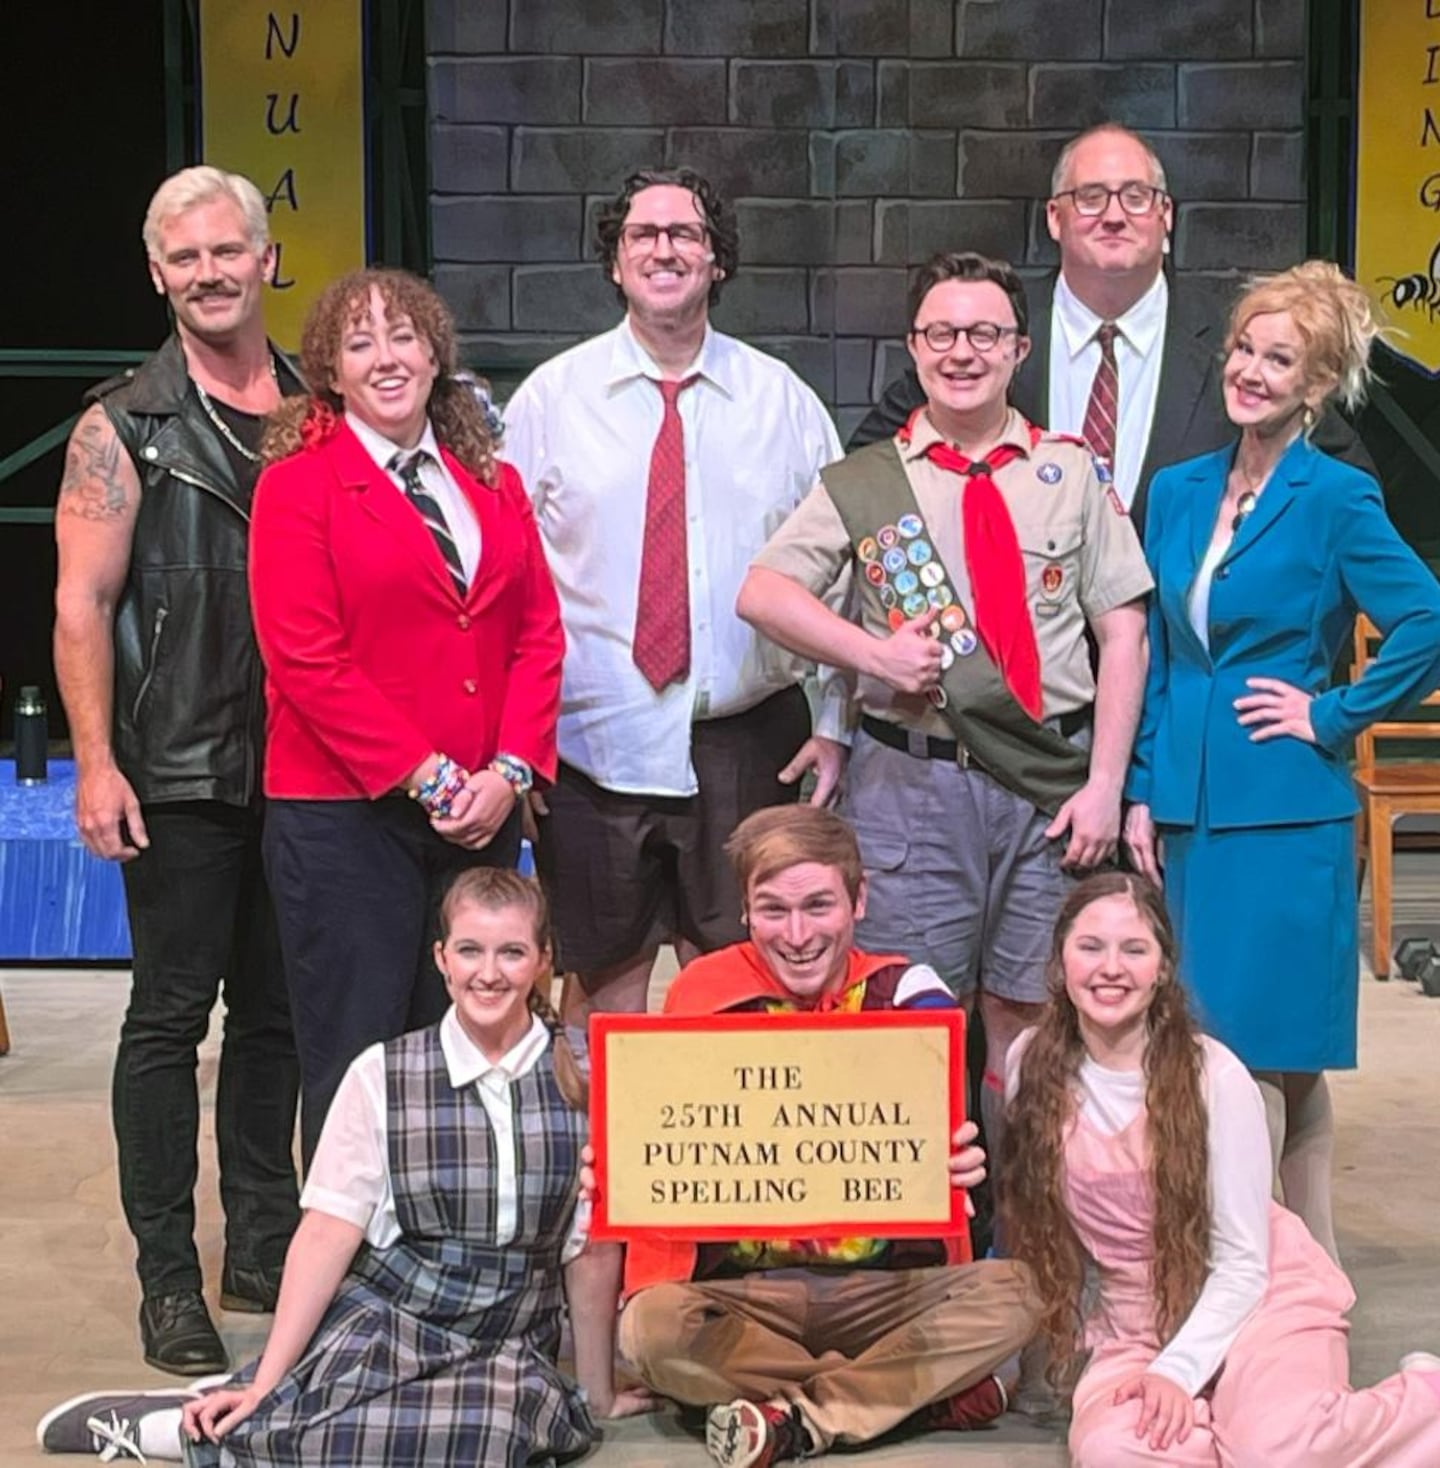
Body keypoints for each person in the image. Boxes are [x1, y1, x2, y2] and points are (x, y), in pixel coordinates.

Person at [738, 252, 1151, 1172]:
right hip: (909, 788)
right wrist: (872, 654)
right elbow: (765, 593)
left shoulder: (1070, 472)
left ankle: (1026, 1235)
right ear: (914, 347)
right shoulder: (868, 483)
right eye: (941, 334)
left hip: (1049, 789)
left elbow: (1123, 636)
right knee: (911, 1015)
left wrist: (1106, 787)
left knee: (1033, 1019)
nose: (962, 352)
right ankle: (919, 1237)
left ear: (1018, 349)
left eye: (984, 334)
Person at [36, 868, 652, 1466]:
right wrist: (267, 1382)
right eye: (470, 951)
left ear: (545, 960)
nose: (488, 973)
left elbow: (591, 1251)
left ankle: (213, 1434)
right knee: (326, 1403)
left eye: (512, 953)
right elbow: (328, 1234)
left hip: (507, 1338)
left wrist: (596, 1393)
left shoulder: (587, 1079)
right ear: (441, 958)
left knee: (489, 1431)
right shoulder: (384, 1074)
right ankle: (188, 1424)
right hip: (393, 1315)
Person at [1122, 261, 1440, 1261]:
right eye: (1243, 350)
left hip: (1281, 814)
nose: (1252, 372)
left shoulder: (1335, 498)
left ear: (1314, 386)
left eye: (1281, 360)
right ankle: (1297, 1278)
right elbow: (1157, 655)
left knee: (1262, 1056)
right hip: (1188, 813)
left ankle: (1264, 1286)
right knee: (1232, 1056)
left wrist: (1331, 713)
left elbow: (1425, 625)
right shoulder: (1178, 492)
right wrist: (1142, 789)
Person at [1000, 872, 1440, 1467]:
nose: (1111, 968)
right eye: (1090, 947)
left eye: (1134, 949)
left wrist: (1180, 1373)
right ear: (1059, 962)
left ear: (1162, 969)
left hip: (1258, 1299)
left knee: (1274, 1450)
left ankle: (1437, 1404)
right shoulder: (1031, 1066)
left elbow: (1241, 1263)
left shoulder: (1214, 1077)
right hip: (1138, 1323)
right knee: (1114, 1454)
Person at [52, 166, 301, 1375]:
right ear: (158, 274)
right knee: (166, 1021)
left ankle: (263, 1242)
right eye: (183, 257)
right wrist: (97, 763)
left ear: (266, 260)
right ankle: (169, 1280)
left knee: (279, 1020)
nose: (208, 272)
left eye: (226, 250)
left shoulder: (323, 404)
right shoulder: (123, 422)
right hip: (181, 765)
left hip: (307, 766)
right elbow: (82, 604)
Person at [499, 166, 845, 1025]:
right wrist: (513, 745)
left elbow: (847, 575)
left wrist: (837, 722)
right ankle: (594, 1164)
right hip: (589, 749)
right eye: (642, 236)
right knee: (598, 1001)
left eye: (684, 233)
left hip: (746, 744)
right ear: (615, 263)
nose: (664, 249)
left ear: (716, 260)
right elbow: (506, 583)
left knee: (744, 992)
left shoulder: (784, 404)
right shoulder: (550, 400)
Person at [606, 805, 1038, 1468]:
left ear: (858, 900)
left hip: (881, 1292)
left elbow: (935, 1116)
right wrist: (623, 1163)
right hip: (748, 1293)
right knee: (649, 1331)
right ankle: (896, 1393)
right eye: (773, 909)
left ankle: (798, 1415)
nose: (798, 933)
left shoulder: (907, 996)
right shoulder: (702, 994)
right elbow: (672, 1139)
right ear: (746, 912)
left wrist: (951, 1155)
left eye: (818, 905)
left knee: (1020, 1293)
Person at [249, 267, 564, 1157]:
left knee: (474, 1049)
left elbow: (538, 633)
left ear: (434, 354)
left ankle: (459, 1259)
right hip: (347, 821)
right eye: (359, 344)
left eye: (402, 337)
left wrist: (509, 773)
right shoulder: (298, 487)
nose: (385, 359)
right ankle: (355, 1275)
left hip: (481, 815)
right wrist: (429, 777)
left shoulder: (488, 482)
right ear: (331, 374)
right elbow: (305, 657)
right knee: (358, 1058)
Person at [848, 123, 1373, 521]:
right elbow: (865, 467)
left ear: (1166, 216)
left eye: (1136, 197)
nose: (1115, 215)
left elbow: (1347, 482)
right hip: (1017, 651)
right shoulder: (993, 330)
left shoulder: (1236, 343)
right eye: (1091, 197)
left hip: (1181, 653)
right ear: (1056, 217)